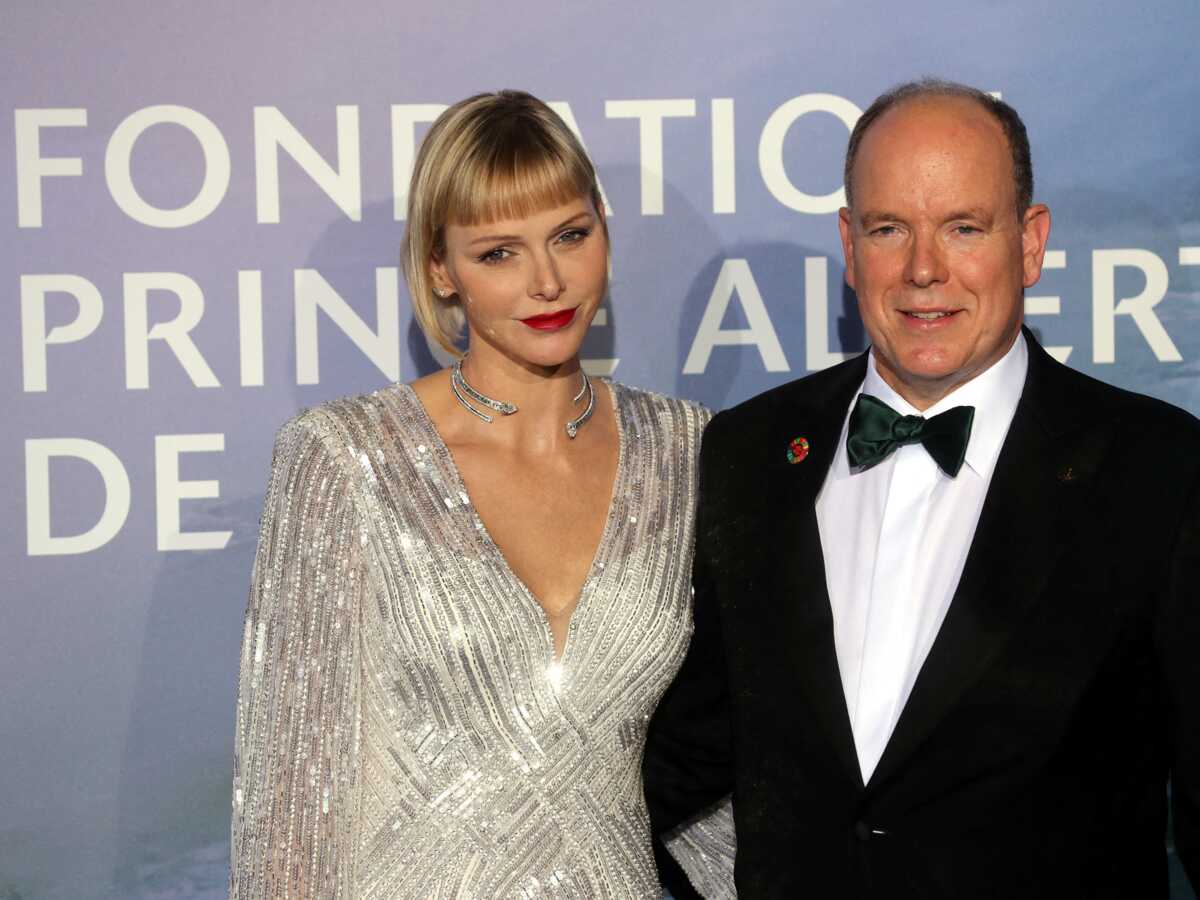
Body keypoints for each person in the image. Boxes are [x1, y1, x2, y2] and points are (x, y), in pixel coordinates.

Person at [645, 79, 1199, 899]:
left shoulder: (1160, 469)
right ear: (849, 242)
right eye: (889, 228)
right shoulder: (749, 453)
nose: (924, 269)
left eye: (964, 228)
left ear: (1031, 242)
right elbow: (685, 753)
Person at [229, 90, 710, 898]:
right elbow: (292, 804)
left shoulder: (687, 451)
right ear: (440, 270)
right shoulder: (347, 461)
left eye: (570, 235)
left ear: (605, 233)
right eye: (499, 254)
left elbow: (730, 754)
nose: (547, 281)